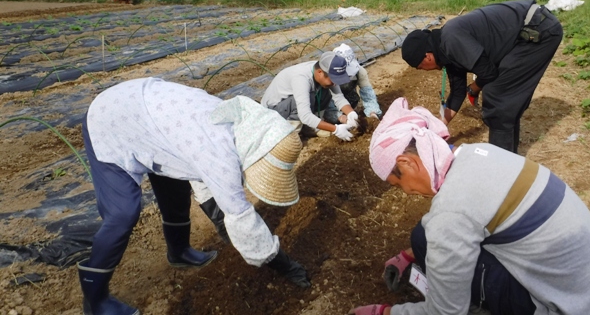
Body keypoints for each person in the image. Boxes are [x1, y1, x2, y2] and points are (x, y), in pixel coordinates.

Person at [349, 97, 590, 315]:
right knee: (423, 237)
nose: (406, 192)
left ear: (407, 163)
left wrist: (384, 312)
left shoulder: (452, 210)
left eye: (397, 183)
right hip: (585, 292)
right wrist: (409, 255)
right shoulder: (477, 154)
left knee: (437, 248)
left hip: (559, 306)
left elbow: (445, 312)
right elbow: (469, 220)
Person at [79, 77, 310, 315]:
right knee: (122, 213)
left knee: (176, 186)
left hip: (150, 117)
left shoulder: (235, 122)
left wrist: (222, 219)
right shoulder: (219, 152)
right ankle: (96, 301)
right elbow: (239, 214)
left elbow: (202, 174)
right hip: (112, 119)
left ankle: (178, 251)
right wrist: (283, 264)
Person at [401, 0, 563, 153]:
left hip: (539, 31)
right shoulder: (445, 49)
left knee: (497, 96)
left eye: (421, 68)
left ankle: (502, 165)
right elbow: (458, 92)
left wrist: (475, 87)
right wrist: (439, 127)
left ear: (427, 57)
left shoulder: (452, 40)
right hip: (527, 31)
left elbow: (489, 73)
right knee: (503, 100)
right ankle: (509, 157)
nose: (425, 70)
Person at [261, 51, 359, 141]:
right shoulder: (301, 78)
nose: (335, 84)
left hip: (290, 107)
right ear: (320, 72)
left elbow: (338, 97)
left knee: (327, 90)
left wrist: (351, 114)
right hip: (273, 111)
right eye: (333, 79)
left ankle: (312, 127)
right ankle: (289, 136)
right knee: (308, 98)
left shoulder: (322, 69)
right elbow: (305, 115)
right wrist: (336, 129)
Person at [323, 43, 383, 124]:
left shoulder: (360, 72)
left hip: (350, 102)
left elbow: (368, 95)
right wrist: (341, 117)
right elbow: (328, 101)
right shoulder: (328, 76)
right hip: (331, 105)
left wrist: (372, 113)